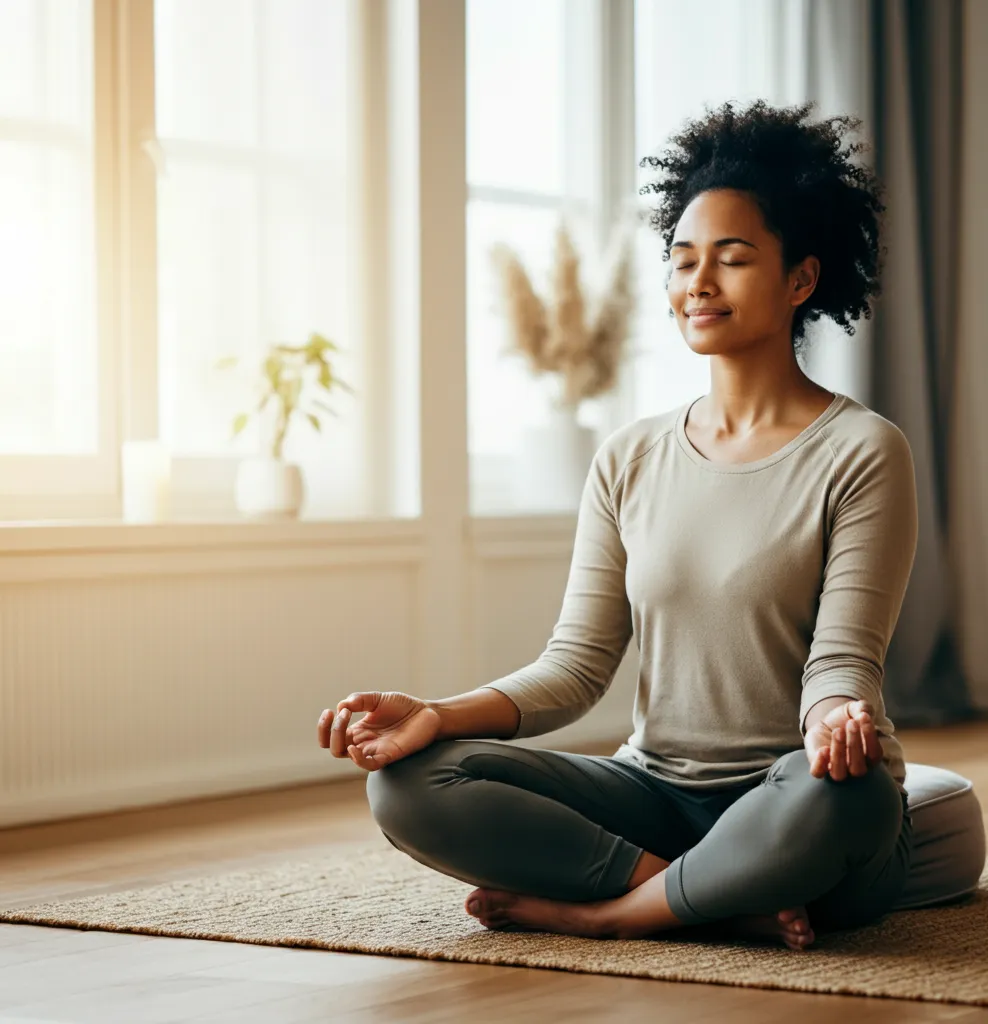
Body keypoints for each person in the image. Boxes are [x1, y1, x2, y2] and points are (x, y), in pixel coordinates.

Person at [316, 100, 917, 951]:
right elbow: (575, 667)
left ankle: (607, 913)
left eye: (732, 259)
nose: (697, 283)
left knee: (848, 798)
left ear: (801, 280)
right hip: (658, 797)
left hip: (798, 794)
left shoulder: (861, 449)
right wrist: (437, 714)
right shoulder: (630, 456)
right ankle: (704, 897)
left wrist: (835, 722)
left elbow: (843, 660)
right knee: (409, 784)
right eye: (681, 260)